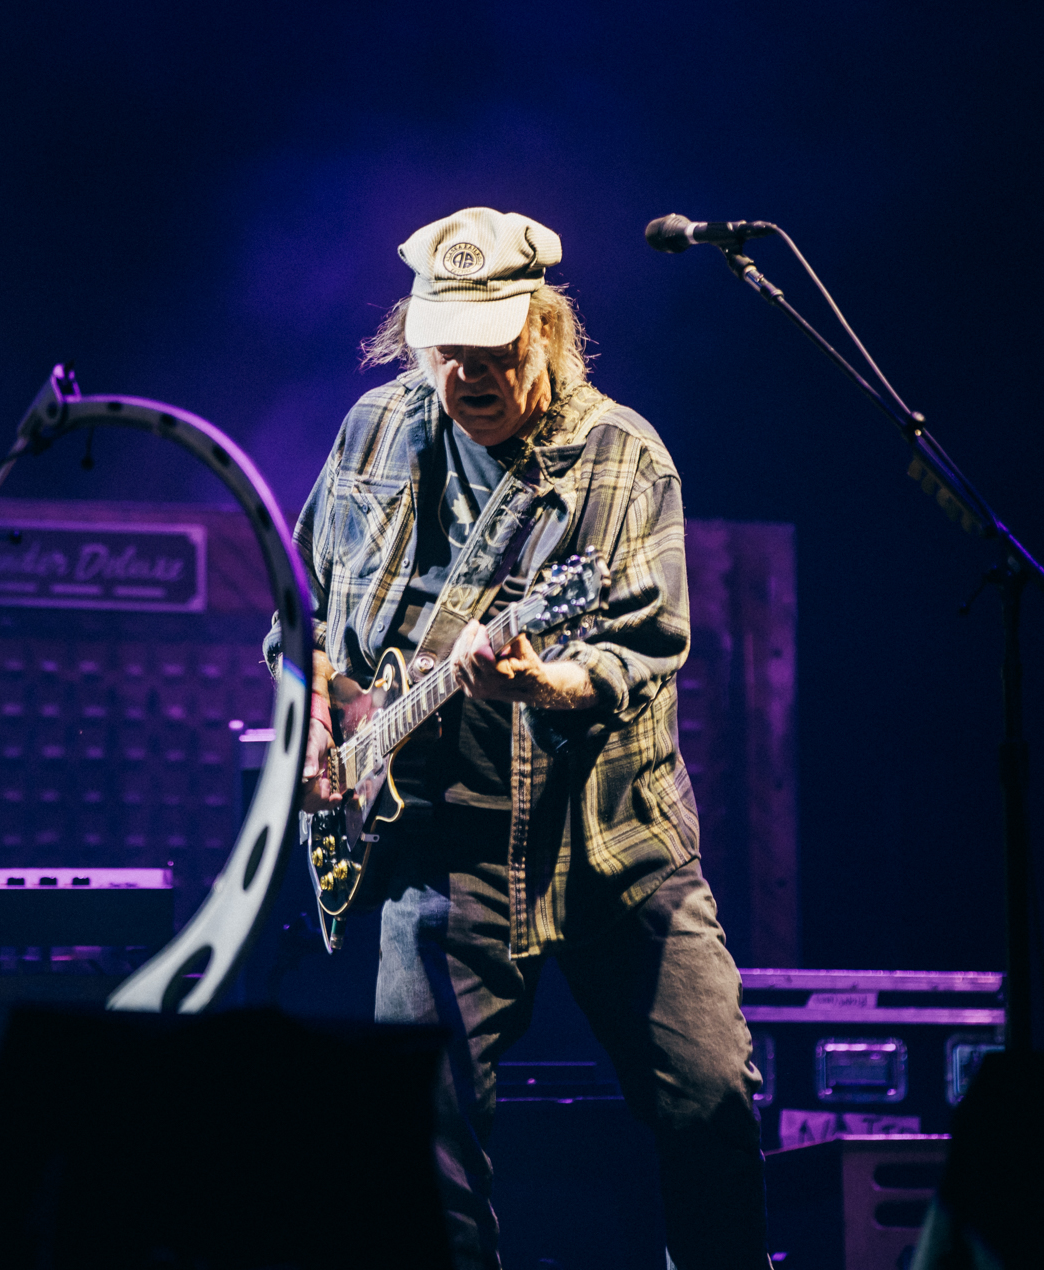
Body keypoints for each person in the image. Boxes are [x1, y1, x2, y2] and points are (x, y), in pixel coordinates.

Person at [269, 208, 769, 1270]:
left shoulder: (622, 459)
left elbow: (645, 648)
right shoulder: (371, 430)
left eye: (493, 352)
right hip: (436, 852)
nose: (470, 377)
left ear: (544, 327)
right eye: (447, 352)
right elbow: (298, 611)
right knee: (417, 1148)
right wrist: (310, 716)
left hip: (609, 850)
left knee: (712, 1096)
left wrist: (553, 678)